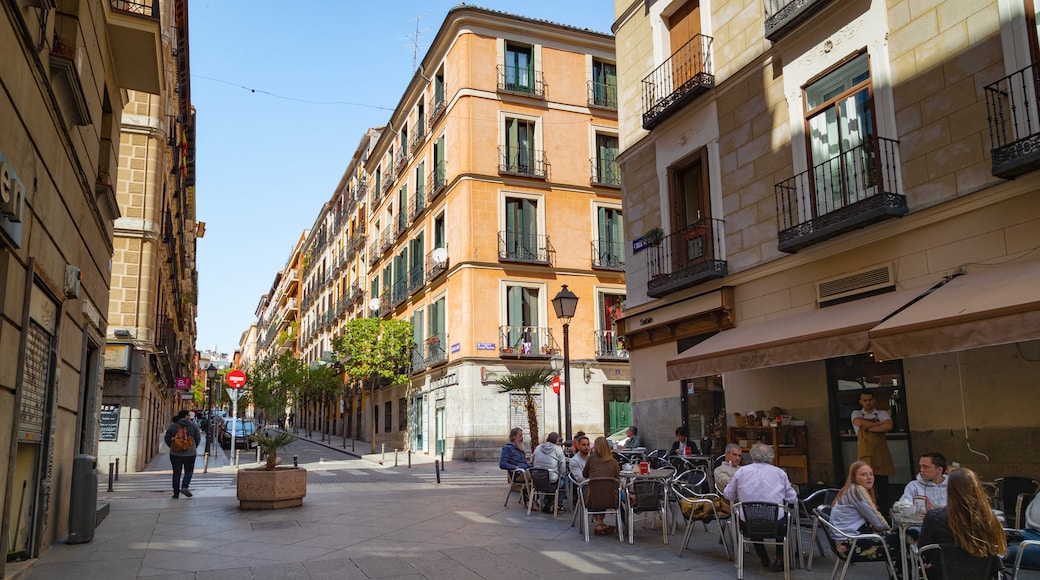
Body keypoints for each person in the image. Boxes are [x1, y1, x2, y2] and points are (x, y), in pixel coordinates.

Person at [918, 468, 1006, 579]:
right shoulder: (990, 518)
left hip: (943, 574)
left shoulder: (934, 517)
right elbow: (998, 549)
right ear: (977, 489)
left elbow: (924, 550)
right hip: (982, 575)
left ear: (950, 490)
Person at [724, 443, 798, 571]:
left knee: (753, 517)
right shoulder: (780, 473)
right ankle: (780, 558)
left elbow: (728, 494)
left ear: (753, 456)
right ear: (771, 457)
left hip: (748, 523)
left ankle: (763, 557)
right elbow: (792, 498)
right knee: (784, 518)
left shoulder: (742, 472)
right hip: (776, 523)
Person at [827, 461, 902, 569]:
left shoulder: (850, 489)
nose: (869, 478)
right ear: (854, 477)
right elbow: (877, 520)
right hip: (849, 545)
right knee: (904, 540)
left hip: (842, 541)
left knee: (902, 539)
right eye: (863, 475)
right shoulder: (857, 491)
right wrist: (889, 530)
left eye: (871, 474)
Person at [852, 390, 895, 509]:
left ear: (874, 400)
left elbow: (888, 426)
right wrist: (878, 425)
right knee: (865, 487)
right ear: (861, 402)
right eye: (865, 400)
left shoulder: (882, 413)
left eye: (870, 400)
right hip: (865, 455)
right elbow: (858, 422)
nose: (868, 403)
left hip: (881, 455)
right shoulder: (856, 413)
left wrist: (868, 428)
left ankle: (884, 513)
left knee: (882, 488)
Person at [583, 436, 621, 536]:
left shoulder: (591, 459)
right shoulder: (614, 462)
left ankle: (599, 524)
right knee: (605, 491)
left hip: (592, 498)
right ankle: (601, 524)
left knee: (597, 490)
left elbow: (585, 475)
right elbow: (617, 481)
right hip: (611, 499)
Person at [164, 410, 201, 499]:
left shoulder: (173, 426)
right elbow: (198, 438)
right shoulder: (193, 425)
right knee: (189, 471)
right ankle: (185, 486)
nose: (189, 416)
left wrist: (173, 446)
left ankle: (176, 493)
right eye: (188, 415)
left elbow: (167, 438)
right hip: (190, 453)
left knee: (176, 473)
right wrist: (193, 447)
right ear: (185, 415)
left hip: (175, 454)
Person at [532, 432, 567, 512]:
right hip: (552, 483)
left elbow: (532, 461)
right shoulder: (558, 449)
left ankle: (547, 502)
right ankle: (558, 504)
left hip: (538, 482)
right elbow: (563, 469)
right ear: (557, 441)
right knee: (565, 480)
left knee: (551, 480)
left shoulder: (538, 447)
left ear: (547, 439)